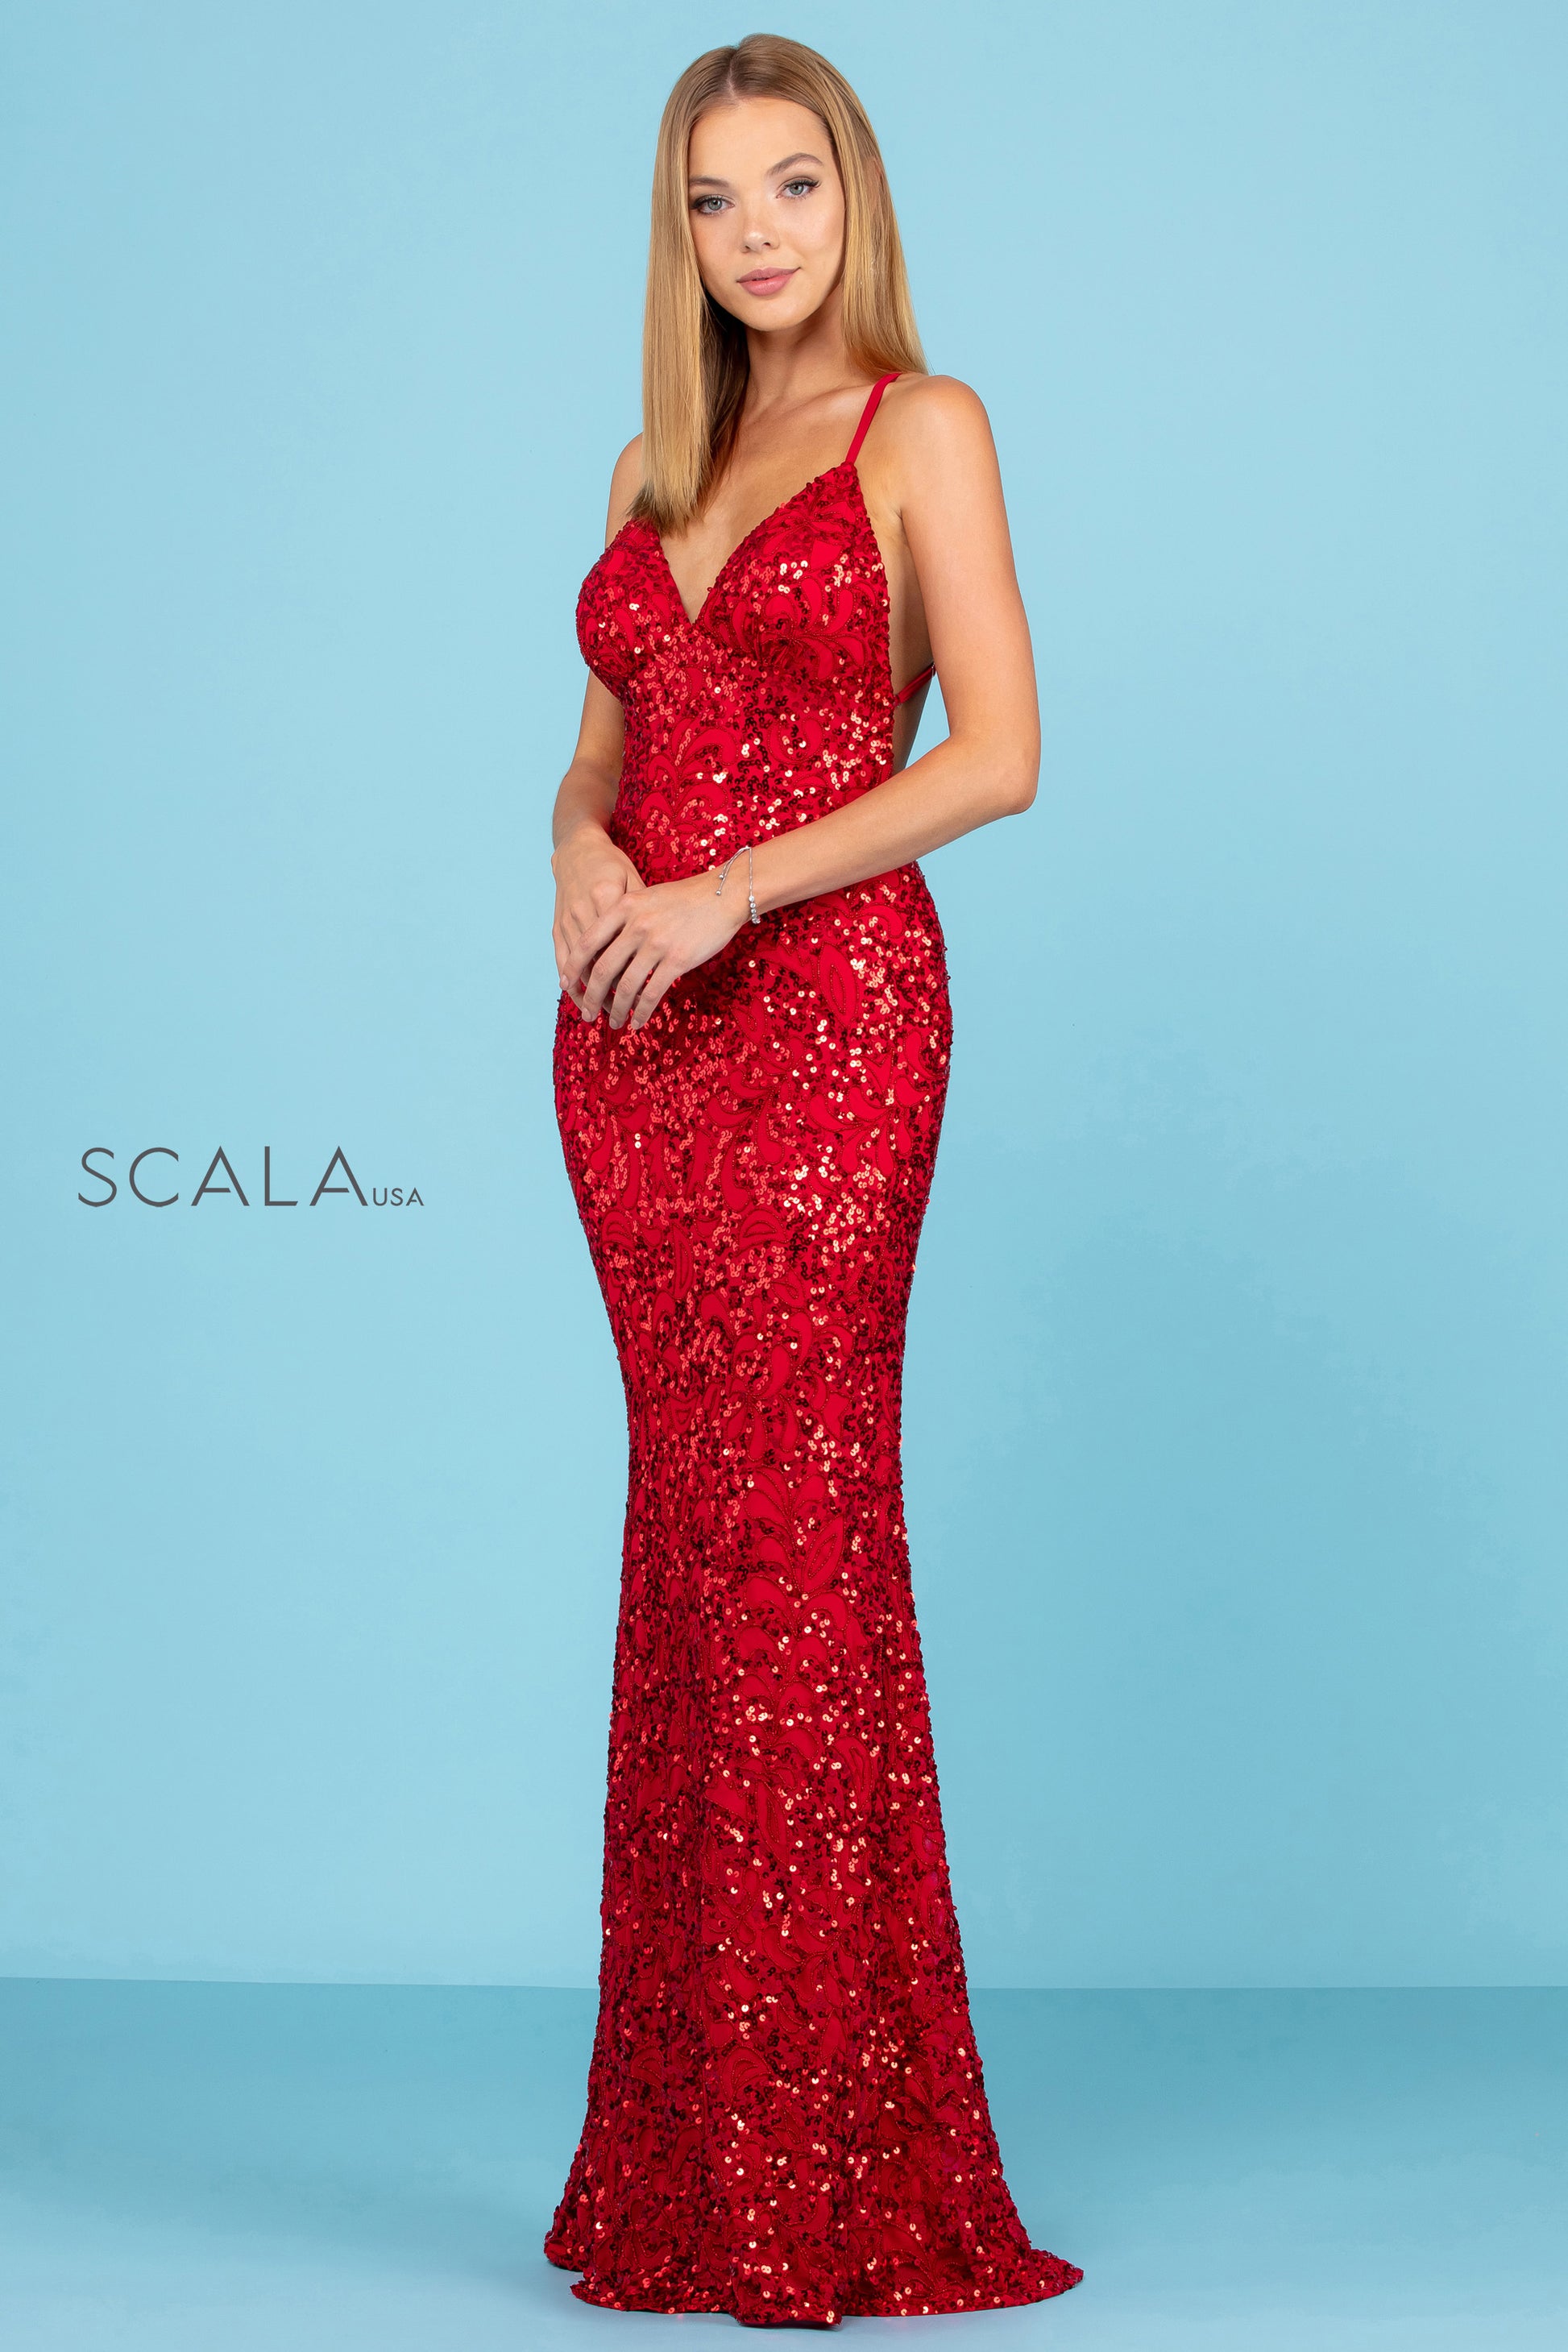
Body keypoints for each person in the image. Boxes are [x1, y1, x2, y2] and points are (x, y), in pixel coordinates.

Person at [544, 32, 1083, 2329]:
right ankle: (685, 2164)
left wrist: (730, 888)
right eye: (711, 200)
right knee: (697, 1559)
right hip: (632, 1053)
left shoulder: (918, 426)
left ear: (852, 197)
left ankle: (825, 2173)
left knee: (794, 1559)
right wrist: (577, 853)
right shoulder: (655, 463)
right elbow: (596, 758)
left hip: (826, 1023)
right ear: (674, 236)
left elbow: (1004, 753)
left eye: (790, 185)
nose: (755, 233)